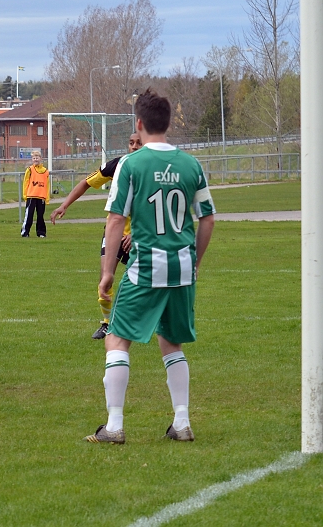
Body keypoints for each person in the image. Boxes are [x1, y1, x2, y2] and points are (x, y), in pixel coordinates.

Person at [86, 89, 216, 444]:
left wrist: (108, 271)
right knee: (171, 343)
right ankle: (183, 422)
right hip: (181, 269)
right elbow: (207, 220)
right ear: (169, 123)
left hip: (146, 268)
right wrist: (195, 263)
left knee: (116, 339)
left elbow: (115, 221)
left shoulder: (132, 163)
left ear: (139, 124)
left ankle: (114, 426)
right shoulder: (191, 164)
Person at [51, 132, 143, 339]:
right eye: (131, 143)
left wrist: (137, 233)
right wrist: (64, 205)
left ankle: (143, 321)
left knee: (145, 282)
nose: (134, 147)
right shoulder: (116, 165)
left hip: (141, 235)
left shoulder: (152, 170)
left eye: (139, 143)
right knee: (105, 278)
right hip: (114, 233)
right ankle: (107, 324)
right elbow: (86, 182)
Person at [21, 151, 50, 238]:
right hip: (31, 196)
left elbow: (47, 185)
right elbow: (26, 182)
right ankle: (25, 232)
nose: (35, 159)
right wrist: (25, 195)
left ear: (41, 159)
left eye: (37, 157)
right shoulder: (30, 170)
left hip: (41, 196)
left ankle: (41, 232)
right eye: (34, 158)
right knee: (29, 215)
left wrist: (47, 198)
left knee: (40, 216)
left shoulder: (45, 171)